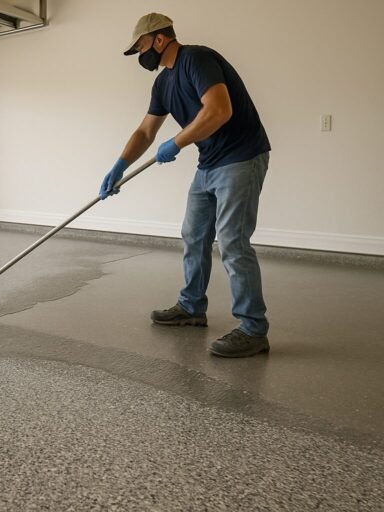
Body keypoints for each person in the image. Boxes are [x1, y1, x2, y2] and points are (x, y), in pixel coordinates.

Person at [99, 13, 271, 358]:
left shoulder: (197, 58)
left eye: (140, 47)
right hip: (208, 163)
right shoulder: (163, 83)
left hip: (240, 157)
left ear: (159, 39)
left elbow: (219, 110)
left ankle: (253, 329)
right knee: (193, 235)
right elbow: (145, 131)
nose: (139, 56)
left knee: (234, 241)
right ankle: (192, 307)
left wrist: (176, 143)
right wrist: (120, 165)